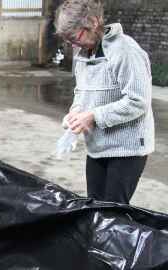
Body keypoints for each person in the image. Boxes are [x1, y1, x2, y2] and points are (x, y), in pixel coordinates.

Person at [55, 0, 154, 204]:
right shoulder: (84, 54)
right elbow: (81, 93)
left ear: (93, 22)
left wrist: (93, 116)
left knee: (112, 212)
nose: (73, 45)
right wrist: (74, 115)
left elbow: (138, 101)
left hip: (127, 149)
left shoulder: (124, 51)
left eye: (75, 37)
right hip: (98, 146)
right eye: (68, 40)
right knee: (95, 207)